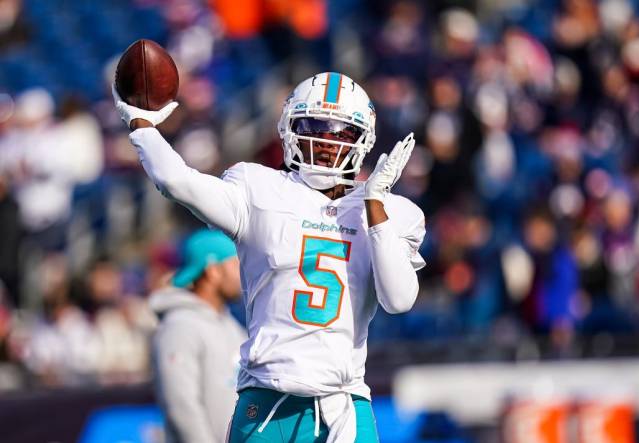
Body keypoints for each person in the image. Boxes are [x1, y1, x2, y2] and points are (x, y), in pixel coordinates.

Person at [113, 71, 426, 442]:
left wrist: (375, 209)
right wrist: (142, 125)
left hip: (344, 406)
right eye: (313, 125)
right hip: (266, 402)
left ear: (363, 140)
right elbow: (177, 181)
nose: (325, 140)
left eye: (340, 131)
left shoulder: (392, 211)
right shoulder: (258, 189)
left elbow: (399, 300)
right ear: (288, 128)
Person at [150, 229, 246, 443]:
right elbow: (181, 405)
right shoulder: (179, 326)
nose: (243, 272)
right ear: (213, 271)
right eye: (235, 263)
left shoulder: (232, 326)